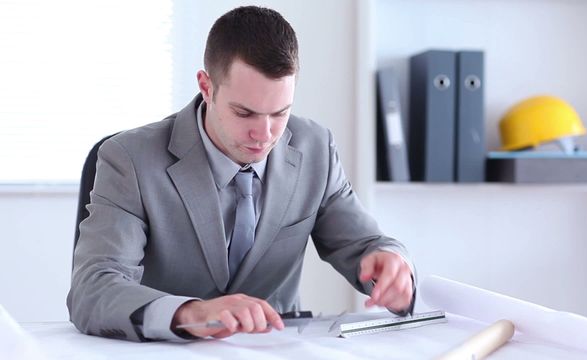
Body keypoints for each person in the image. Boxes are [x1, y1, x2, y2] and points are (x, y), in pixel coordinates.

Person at [67, 6, 415, 342]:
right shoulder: (129, 159)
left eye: (279, 113)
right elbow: (93, 288)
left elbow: (366, 244)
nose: (264, 135)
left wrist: (392, 266)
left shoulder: (315, 149)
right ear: (206, 87)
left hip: (278, 349)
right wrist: (190, 314)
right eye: (244, 113)